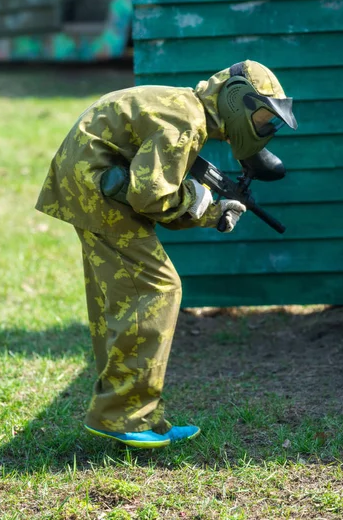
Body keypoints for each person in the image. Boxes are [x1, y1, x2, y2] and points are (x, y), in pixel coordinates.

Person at [35, 59, 297, 449]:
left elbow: (151, 196)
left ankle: (135, 413)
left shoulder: (185, 111)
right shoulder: (186, 121)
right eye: (262, 117)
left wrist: (207, 210)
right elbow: (150, 196)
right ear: (236, 99)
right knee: (157, 289)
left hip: (93, 184)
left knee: (123, 297)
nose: (264, 128)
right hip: (100, 187)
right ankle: (121, 415)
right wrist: (202, 202)